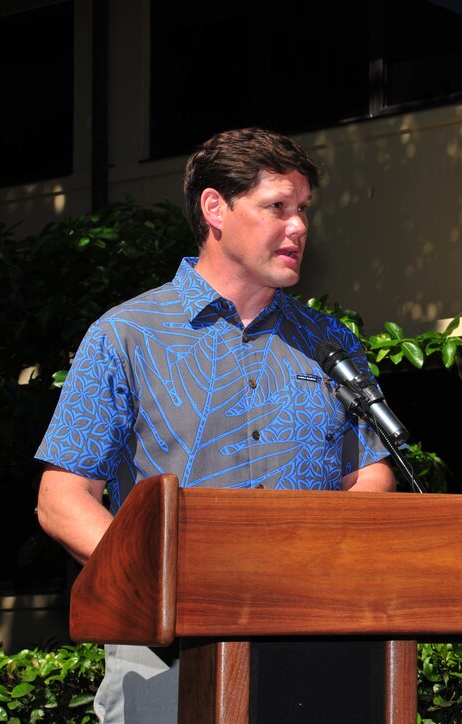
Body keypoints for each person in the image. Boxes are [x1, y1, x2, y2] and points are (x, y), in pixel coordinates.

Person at [35, 127, 396, 722]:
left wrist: (321, 570)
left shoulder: (331, 343)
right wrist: (163, 583)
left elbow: (370, 476)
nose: (298, 226)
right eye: (277, 206)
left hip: (312, 651)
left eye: (303, 209)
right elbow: (62, 499)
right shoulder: (125, 335)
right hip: (162, 657)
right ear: (215, 209)